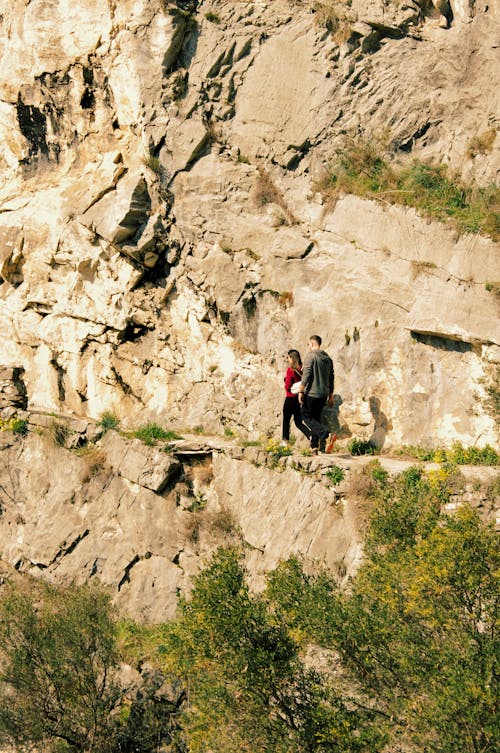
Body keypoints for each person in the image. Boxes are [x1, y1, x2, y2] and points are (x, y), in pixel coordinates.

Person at [298, 335, 334, 453]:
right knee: (316, 419)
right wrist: (331, 395)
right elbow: (331, 377)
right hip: (323, 395)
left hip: (312, 393)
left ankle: (326, 434)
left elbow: (306, 375)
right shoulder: (328, 358)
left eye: (309, 344)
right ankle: (314, 447)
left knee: (305, 416)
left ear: (312, 343)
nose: (308, 347)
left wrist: (300, 391)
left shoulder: (311, 356)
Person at [281, 349, 310, 445]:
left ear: (292, 358)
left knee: (286, 420)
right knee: (298, 422)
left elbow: (287, 386)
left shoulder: (290, 370)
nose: (287, 359)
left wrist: (285, 381)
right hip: (299, 398)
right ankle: (310, 434)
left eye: (288, 357)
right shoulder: (302, 369)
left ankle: (285, 441)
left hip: (290, 398)